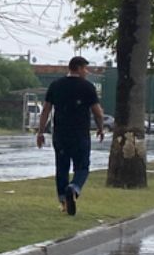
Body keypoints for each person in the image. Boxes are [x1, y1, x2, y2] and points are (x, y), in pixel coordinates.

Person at [35, 56, 105, 216]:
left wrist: (40, 132)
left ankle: (64, 202)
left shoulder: (56, 85)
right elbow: (98, 113)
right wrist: (100, 128)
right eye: (85, 69)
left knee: (62, 168)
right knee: (82, 167)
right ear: (78, 68)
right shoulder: (87, 87)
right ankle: (74, 187)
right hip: (80, 134)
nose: (86, 72)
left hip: (60, 134)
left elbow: (46, 110)